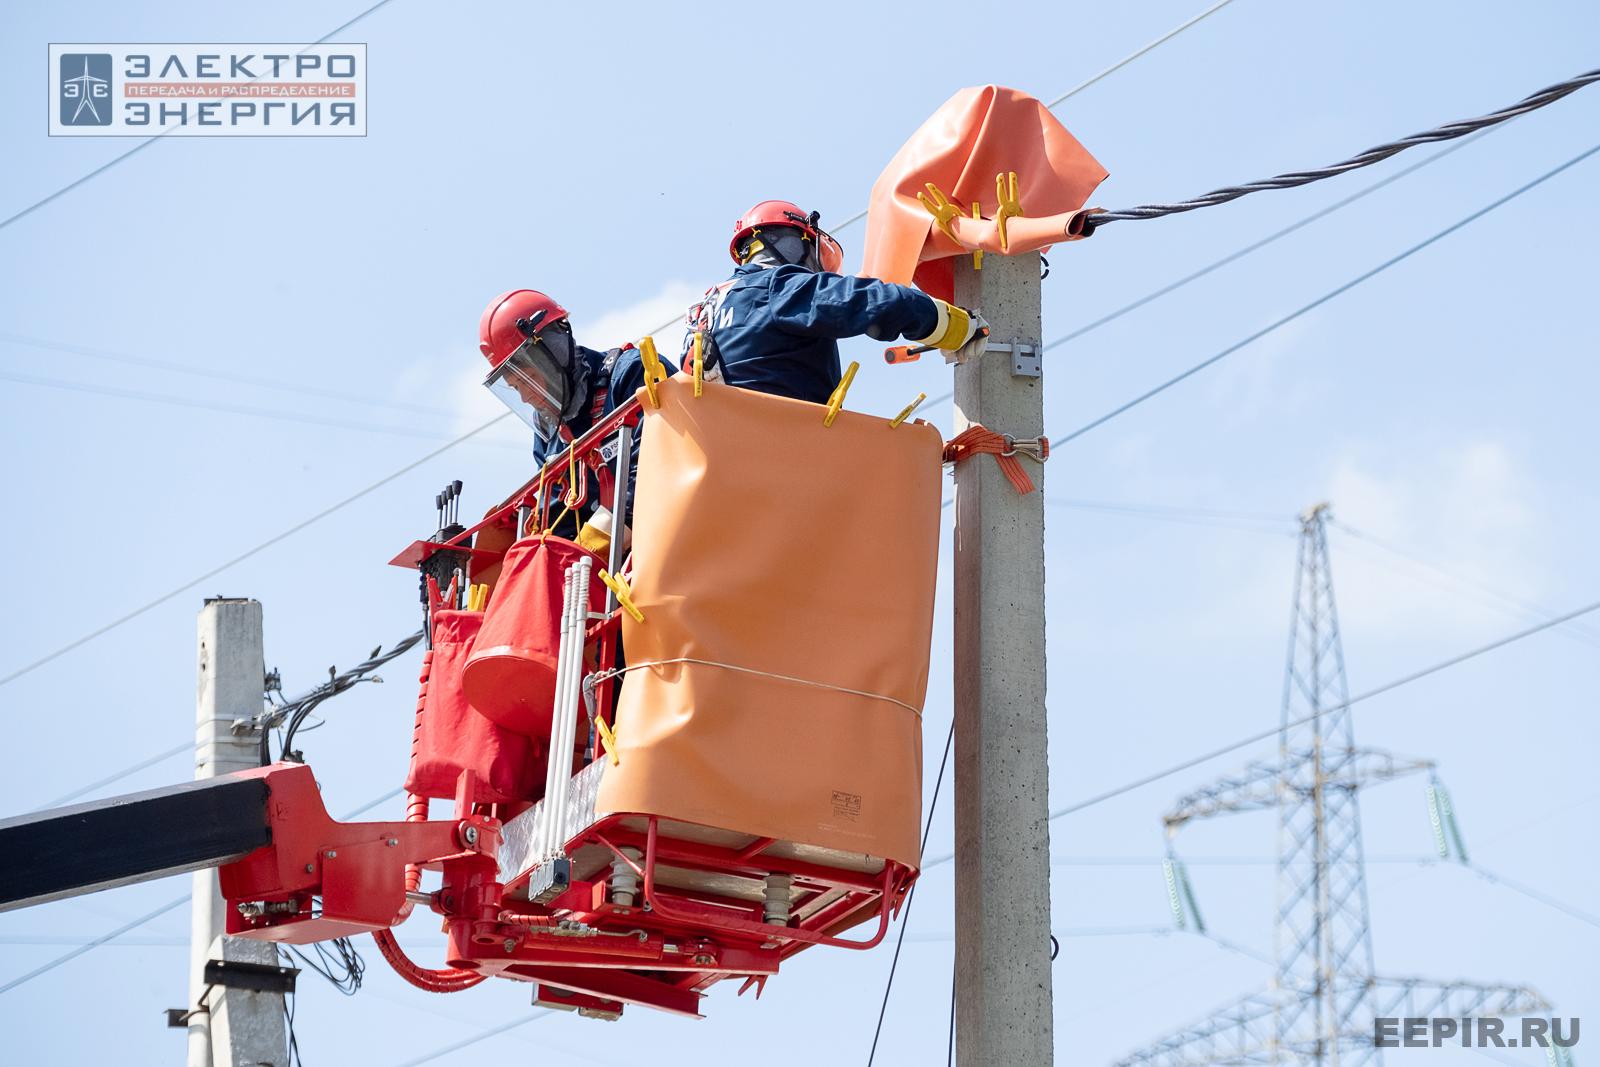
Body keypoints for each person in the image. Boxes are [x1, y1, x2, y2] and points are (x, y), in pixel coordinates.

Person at [683, 200, 986, 404]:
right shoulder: (777, 288)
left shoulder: (704, 311)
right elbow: (876, 302)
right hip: (784, 454)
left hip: (719, 466)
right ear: (793, 243)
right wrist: (949, 326)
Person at [478, 289, 674, 554]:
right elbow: (559, 521)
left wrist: (601, 538)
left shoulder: (631, 375)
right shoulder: (550, 437)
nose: (524, 397)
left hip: (671, 547)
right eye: (515, 387)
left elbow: (666, 464)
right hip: (611, 579)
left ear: (554, 351)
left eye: (527, 378)